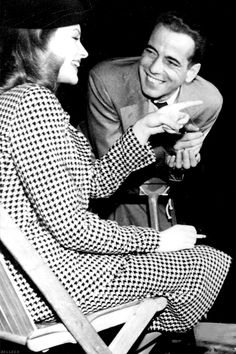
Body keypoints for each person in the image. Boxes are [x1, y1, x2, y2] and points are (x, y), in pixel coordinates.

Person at [0, 0, 231, 349]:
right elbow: (70, 226)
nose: (84, 50)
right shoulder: (35, 102)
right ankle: (126, 346)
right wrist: (157, 241)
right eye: (74, 38)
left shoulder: (10, 99)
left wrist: (141, 130)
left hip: (20, 288)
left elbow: (96, 183)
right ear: (39, 39)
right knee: (208, 263)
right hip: (49, 282)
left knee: (178, 262)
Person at [86, 11, 223, 231]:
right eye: (151, 52)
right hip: (93, 193)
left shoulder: (208, 101)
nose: (154, 68)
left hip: (152, 192)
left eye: (171, 62)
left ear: (191, 73)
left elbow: (179, 175)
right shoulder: (106, 81)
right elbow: (109, 172)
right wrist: (169, 147)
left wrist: (178, 168)